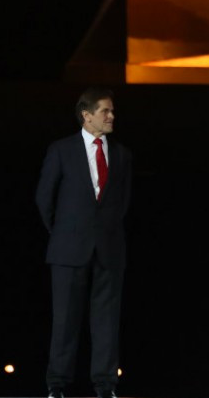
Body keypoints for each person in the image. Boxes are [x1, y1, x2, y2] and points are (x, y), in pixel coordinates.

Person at [35, 87, 133, 398]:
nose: (111, 116)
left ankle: (105, 385)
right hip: (68, 248)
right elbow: (43, 198)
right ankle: (58, 384)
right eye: (105, 111)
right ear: (86, 115)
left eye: (113, 111)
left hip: (109, 248)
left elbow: (123, 202)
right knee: (65, 320)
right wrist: (64, 232)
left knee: (106, 322)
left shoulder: (121, 154)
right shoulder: (61, 150)